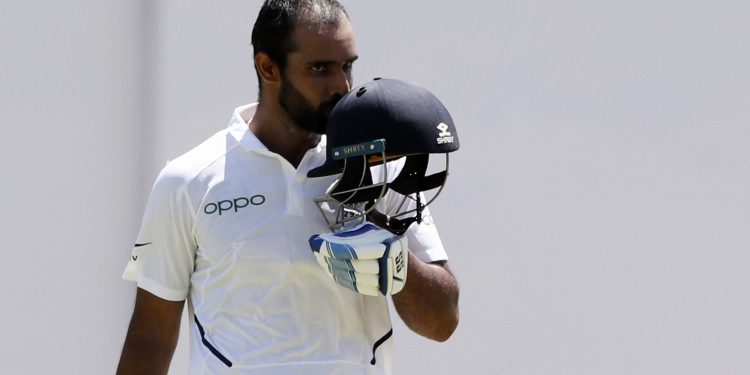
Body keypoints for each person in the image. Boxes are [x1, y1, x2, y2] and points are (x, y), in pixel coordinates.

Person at [116, 1, 459, 374]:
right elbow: (150, 336)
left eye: (347, 65)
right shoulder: (187, 181)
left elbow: (443, 322)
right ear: (268, 67)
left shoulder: (382, 165)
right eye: (319, 69)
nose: (342, 86)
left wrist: (394, 257)